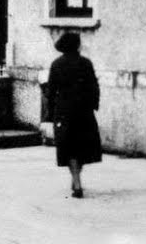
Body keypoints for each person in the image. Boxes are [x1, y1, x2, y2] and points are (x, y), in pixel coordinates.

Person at [45, 32, 101, 198]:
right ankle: (76, 177)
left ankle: (76, 181)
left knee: (69, 147)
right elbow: (94, 86)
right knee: (81, 146)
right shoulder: (85, 63)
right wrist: (93, 105)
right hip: (83, 111)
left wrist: (50, 113)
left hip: (64, 111)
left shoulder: (57, 64)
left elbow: (51, 91)